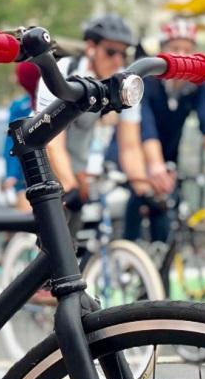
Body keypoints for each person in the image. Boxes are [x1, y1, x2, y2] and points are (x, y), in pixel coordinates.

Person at [121, 17, 205, 242]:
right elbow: (147, 128)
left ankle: (158, 269)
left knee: (165, 220)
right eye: (175, 49)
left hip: (169, 155)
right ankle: (127, 256)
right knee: (139, 198)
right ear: (162, 51)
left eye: (188, 49)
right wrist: (154, 165)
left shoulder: (197, 86)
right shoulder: (148, 80)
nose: (182, 55)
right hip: (138, 151)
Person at [34, 13, 142, 226]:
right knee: (49, 238)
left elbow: (130, 145)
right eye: (111, 52)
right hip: (42, 160)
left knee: (72, 245)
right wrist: (69, 183)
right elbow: (51, 140)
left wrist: (143, 186)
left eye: (123, 53)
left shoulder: (123, 84)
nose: (118, 60)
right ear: (91, 47)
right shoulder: (61, 72)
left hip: (78, 169)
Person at [3, 62, 40, 213]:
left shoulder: (53, 103)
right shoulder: (20, 107)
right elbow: (12, 142)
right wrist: (12, 174)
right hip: (25, 176)